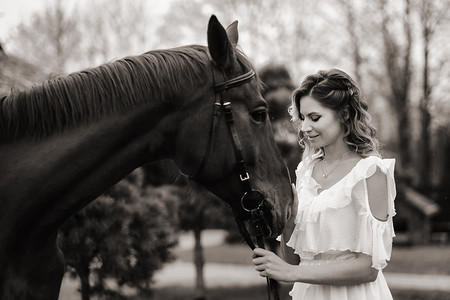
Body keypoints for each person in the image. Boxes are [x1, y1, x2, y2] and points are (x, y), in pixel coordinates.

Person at [252, 69, 396, 299]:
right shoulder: (305, 171)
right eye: (303, 118)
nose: (305, 127)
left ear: (345, 114)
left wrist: (291, 271)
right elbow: (294, 260)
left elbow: (368, 268)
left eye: (315, 117)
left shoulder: (371, 172)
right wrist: (289, 224)